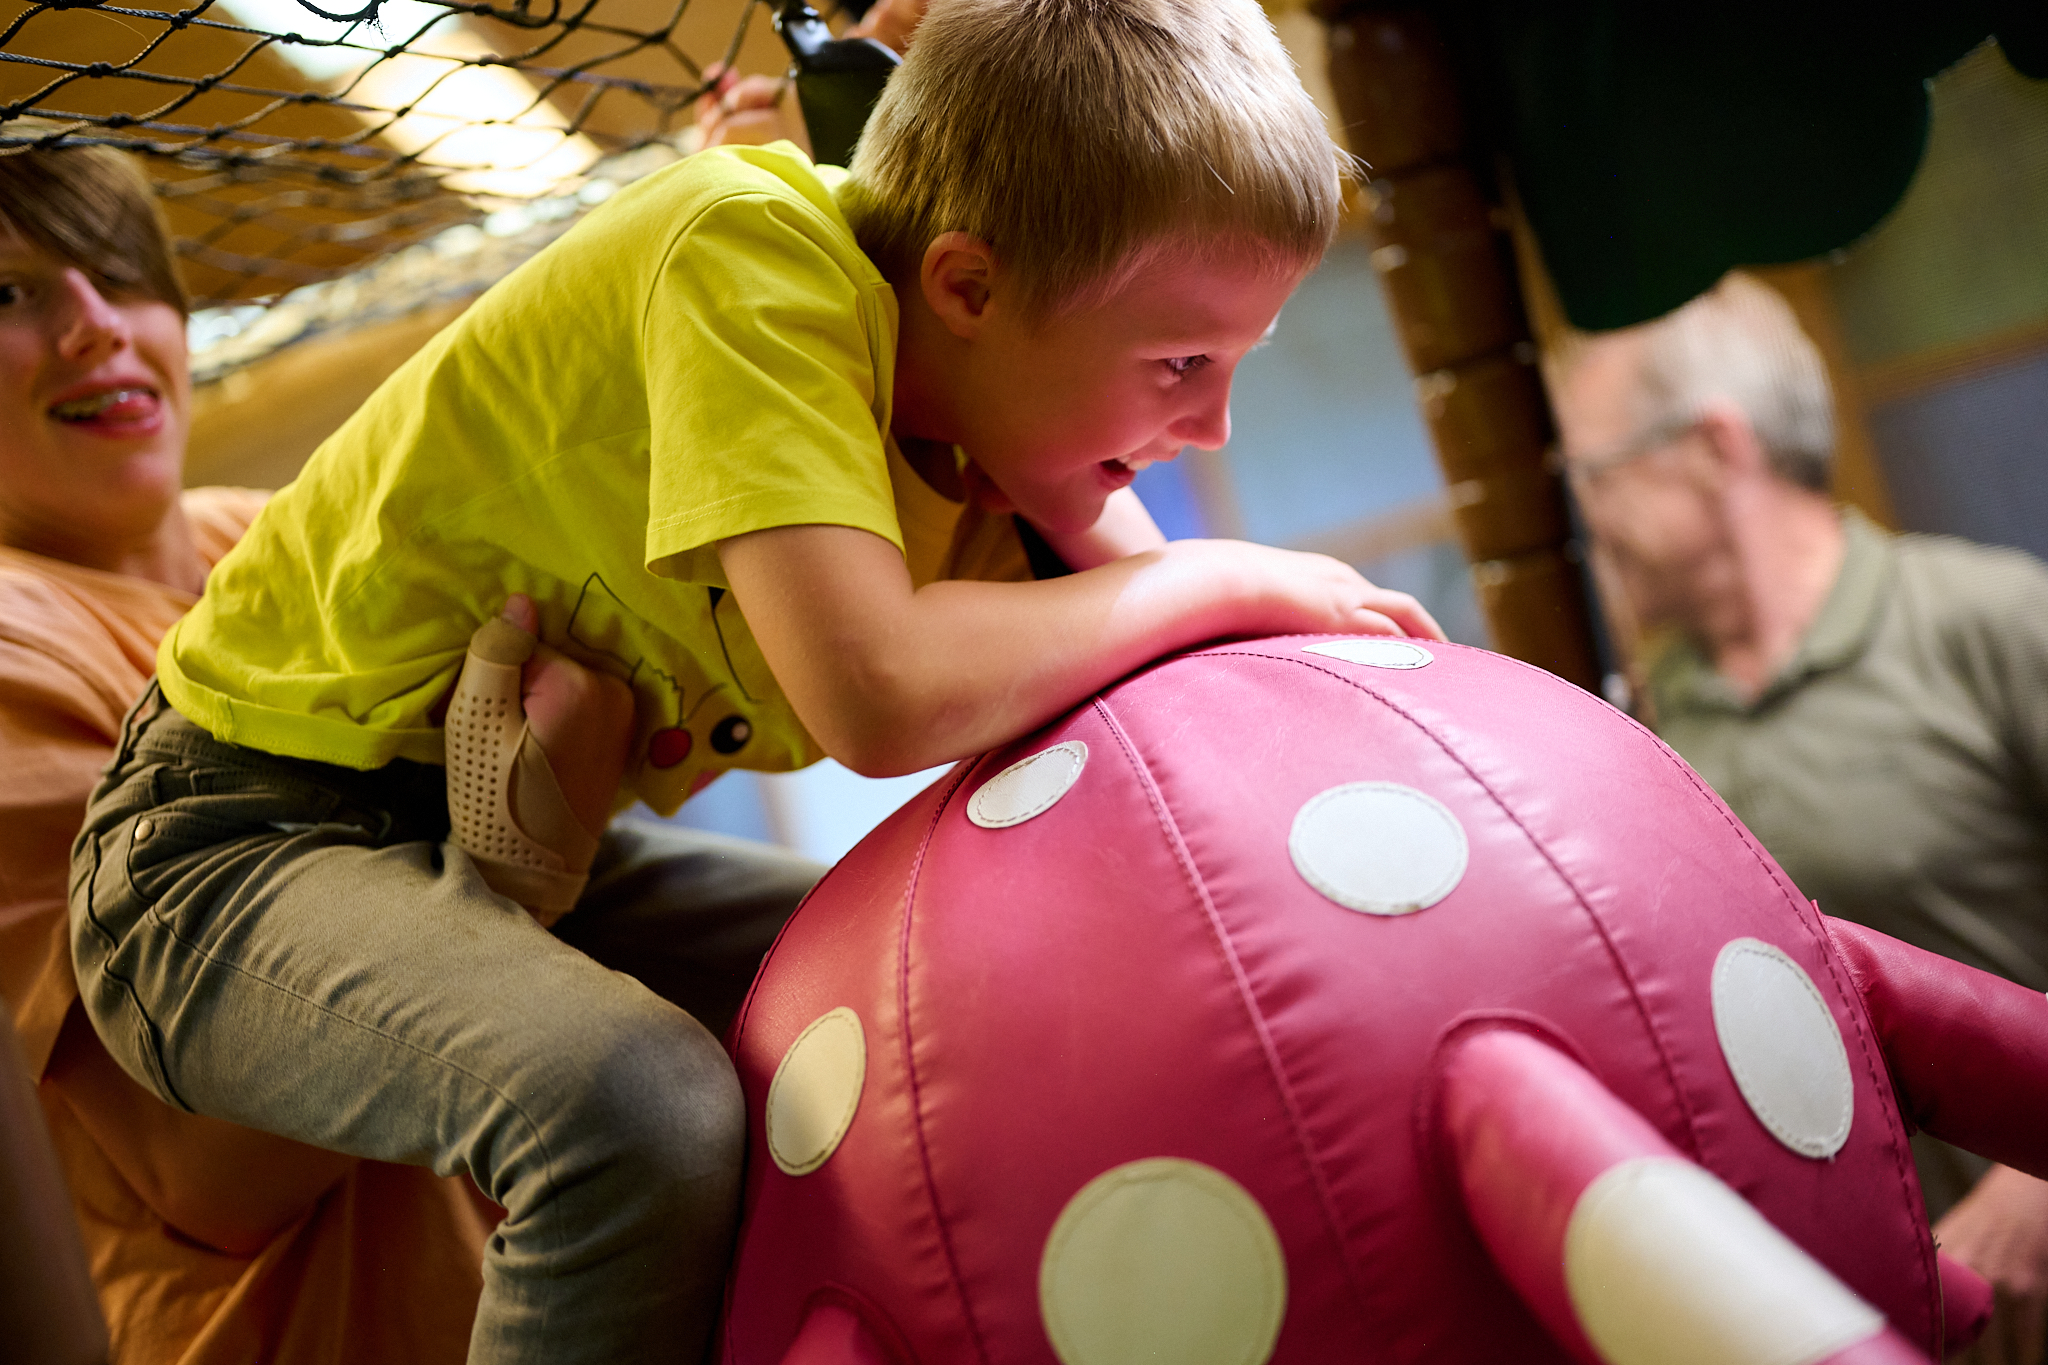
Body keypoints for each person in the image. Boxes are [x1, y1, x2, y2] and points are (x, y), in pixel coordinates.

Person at [66, 0, 1443, 1361]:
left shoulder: (978, 424)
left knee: (935, 995)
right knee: (636, 1112)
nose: (1205, 426)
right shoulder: (752, 248)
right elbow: (880, 693)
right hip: (226, 846)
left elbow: (1158, 670)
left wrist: (1157, 557)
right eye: (1179, 365)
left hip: (499, 852)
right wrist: (1244, 572)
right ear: (964, 286)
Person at [0, 134, 500, 1361]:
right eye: (6, 293)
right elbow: (207, 1170)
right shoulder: (15, 656)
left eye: (120, 275)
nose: (93, 328)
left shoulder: (270, 538)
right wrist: (502, 854)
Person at [1548, 270, 2048, 1364]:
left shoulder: (1988, 625)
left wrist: (2033, 1185)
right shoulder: (1628, 736)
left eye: (1598, 470)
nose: (1587, 516)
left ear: (1717, 447)